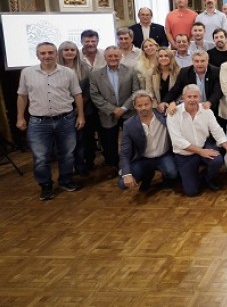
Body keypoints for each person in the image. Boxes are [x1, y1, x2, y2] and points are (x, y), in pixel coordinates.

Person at [17, 42, 85, 200]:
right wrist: (20, 117)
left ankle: (66, 180)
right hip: (38, 122)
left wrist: (81, 115)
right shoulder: (27, 72)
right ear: (37, 55)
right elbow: (22, 96)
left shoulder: (68, 72)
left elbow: (77, 94)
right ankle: (46, 185)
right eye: (43, 53)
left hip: (65, 120)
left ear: (56, 54)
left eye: (50, 52)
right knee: (41, 157)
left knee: (67, 154)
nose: (47, 56)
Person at [167, 84, 227, 196]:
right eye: (189, 97)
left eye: (195, 96)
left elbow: (217, 131)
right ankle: (191, 177)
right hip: (185, 153)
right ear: (183, 98)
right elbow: (177, 141)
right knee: (191, 191)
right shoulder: (173, 114)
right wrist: (201, 152)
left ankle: (207, 178)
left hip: (203, 145)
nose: (192, 100)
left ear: (200, 98)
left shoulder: (207, 111)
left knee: (217, 160)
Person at [89, 46, 140, 173]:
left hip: (128, 112)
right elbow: (95, 96)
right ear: (105, 57)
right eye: (110, 56)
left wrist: (123, 108)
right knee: (109, 142)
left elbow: (136, 92)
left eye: (116, 56)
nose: (113, 58)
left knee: (131, 140)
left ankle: (132, 165)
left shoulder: (131, 71)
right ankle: (112, 166)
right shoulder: (95, 74)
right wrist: (113, 109)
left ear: (120, 56)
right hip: (107, 114)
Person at [118, 90, 178, 191]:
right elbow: (125, 152)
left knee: (173, 173)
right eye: (139, 105)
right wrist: (127, 174)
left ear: (152, 103)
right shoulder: (129, 125)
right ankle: (148, 174)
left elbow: (185, 102)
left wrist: (173, 103)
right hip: (143, 159)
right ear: (134, 106)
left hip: (164, 156)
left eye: (146, 104)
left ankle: (166, 179)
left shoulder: (163, 115)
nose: (143, 108)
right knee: (122, 184)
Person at [57, 41, 92, 176]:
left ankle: (80, 165)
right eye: (66, 50)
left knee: (80, 141)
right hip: (62, 111)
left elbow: (88, 91)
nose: (69, 52)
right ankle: (67, 169)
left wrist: (78, 109)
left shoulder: (85, 68)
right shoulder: (54, 69)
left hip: (81, 109)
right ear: (60, 52)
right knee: (65, 143)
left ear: (77, 52)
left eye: (72, 50)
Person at [165, 50, 222, 118]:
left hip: (210, 108)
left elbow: (217, 91)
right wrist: (166, 101)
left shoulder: (216, 71)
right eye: (197, 61)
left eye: (202, 61)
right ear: (192, 61)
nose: (199, 64)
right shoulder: (185, 72)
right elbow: (176, 90)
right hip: (191, 108)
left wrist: (210, 102)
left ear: (207, 60)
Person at [146, 47, 181, 114]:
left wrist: (173, 104)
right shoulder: (151, 72)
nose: (163, 58)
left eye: (166, 56)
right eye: (160, 56)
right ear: (157, 58)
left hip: (175, 107)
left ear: (171, 57)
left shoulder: (179, 71)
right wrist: (157, 106)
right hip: (156, 108)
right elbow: (149, 93)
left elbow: (180, 92)